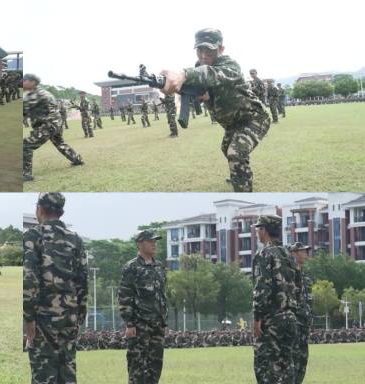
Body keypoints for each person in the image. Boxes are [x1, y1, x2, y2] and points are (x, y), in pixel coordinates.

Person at [160, 29, 270, 192]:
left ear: (221, 49)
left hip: (254, 119)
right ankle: (239, 172)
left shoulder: (230, 66)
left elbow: (211, 75)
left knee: (236, 152)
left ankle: (244, 194)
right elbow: (198, 85)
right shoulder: (199, 69)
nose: (204, 55)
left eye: (209, 50)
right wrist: (170, 86)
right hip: (232, 124)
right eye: (200, 50)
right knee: (226, 149)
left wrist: (183, 74)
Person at [24, 193, 87, 384]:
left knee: (44, 373)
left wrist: (28, 320)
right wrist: (79, 317)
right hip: (69, 316)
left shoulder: (33, 236)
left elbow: (30, 279)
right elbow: (82, 282)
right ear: (62, 212)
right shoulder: (76, 239)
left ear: (40, 210)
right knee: (67, 371)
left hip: (43, 317)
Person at [252, 215, 300, 384]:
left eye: (258, 229)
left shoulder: (264, 253)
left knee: (265, 368)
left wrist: (257, 318)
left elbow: (262, 288)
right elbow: (298, 286)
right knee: (286, 367)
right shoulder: (289, 254)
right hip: (291, 318)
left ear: (263, 230)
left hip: (272, 319)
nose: (257, 233)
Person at [119, 230, 167, 384]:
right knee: (137, 367)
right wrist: (129, 323)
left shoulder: (159, 266)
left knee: (155, 367)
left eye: (155, 241)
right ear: (140, 244)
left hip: (157, 325)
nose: (154, 244)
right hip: (140, 325)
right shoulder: (131, 267)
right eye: (150, 241)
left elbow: (162, 296)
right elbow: (125, 296)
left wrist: (164, 322)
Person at [22, 74, 83, 182]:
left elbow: (24, 111)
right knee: (60, 143)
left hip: (47, 125)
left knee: (26, 145)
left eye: (24, 80)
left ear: (32, 82)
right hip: (56, 124)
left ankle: (26, 174)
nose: (22, 82)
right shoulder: (44, 92)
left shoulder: (34, 94)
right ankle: (77, 159)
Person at [289, 242, 313, 384]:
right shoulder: (287, 275)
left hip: (304, 326)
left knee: (302, 362)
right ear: (294, 253)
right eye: (304, 251)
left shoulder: (305, 277)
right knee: (291, 360)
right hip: (293, 326)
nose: (306, 254)